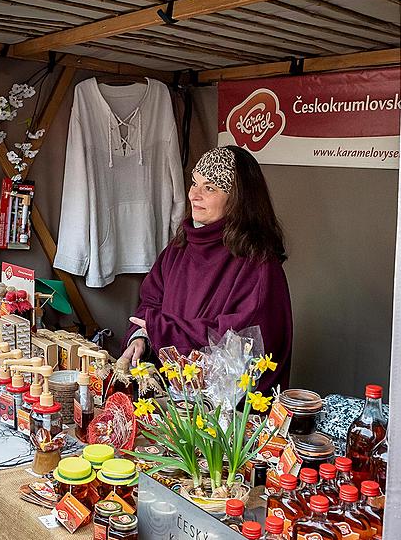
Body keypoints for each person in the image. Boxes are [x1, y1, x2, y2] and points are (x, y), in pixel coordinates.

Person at [121, 145, 292, 393]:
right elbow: (150, 304)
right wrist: (142, 338)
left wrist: (160, 328)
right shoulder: (179, 248)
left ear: (236, 199)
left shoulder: (258, 266)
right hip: (170, 396)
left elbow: (240, 346)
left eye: (209, 188)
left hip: (224, 413)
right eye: (194, 183)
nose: (194, 195)